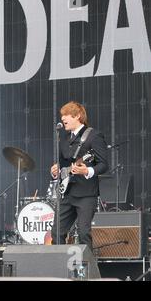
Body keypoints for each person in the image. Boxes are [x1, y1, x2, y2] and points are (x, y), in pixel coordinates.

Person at [50, 101, 108, 251]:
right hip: (66, 193)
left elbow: (103, 165)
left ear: (78, 116)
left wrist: (87, 171)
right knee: (56, 233)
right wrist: (56, 171)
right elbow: (63, 165)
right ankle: (60, 267)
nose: (62, 119)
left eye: (66, 115)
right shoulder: (63, 138)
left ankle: (86, 272)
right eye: (62, 116)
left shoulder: (93, 136)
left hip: (86, 194)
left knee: (84, 234)